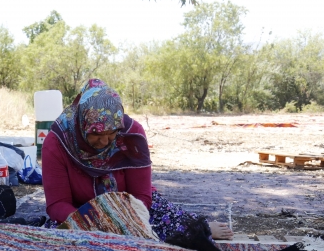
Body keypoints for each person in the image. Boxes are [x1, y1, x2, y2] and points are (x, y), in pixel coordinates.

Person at [42, 78, 233, 240]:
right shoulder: (58, 142)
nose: (105, 141)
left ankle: (200, 228)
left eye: (112, 133)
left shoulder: (131, 135)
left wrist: (121, 220)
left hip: (130, 207)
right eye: (96, 134)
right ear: (81, 124)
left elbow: (141, 195)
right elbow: (57, 203)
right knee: (61, 240)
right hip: (80, 212)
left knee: (171, 228)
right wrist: (94, 223)